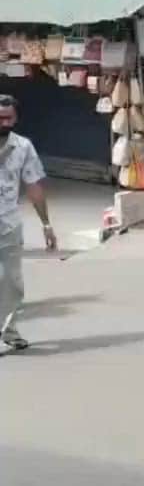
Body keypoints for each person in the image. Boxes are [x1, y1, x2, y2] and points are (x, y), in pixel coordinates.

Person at [0, 96, 56, 357]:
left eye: (7, 118)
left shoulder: (22, 147)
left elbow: (33, 186)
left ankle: (9, 332)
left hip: (8, 224)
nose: (3, 122)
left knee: (12, 282)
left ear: (16, 119)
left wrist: (46, 225)